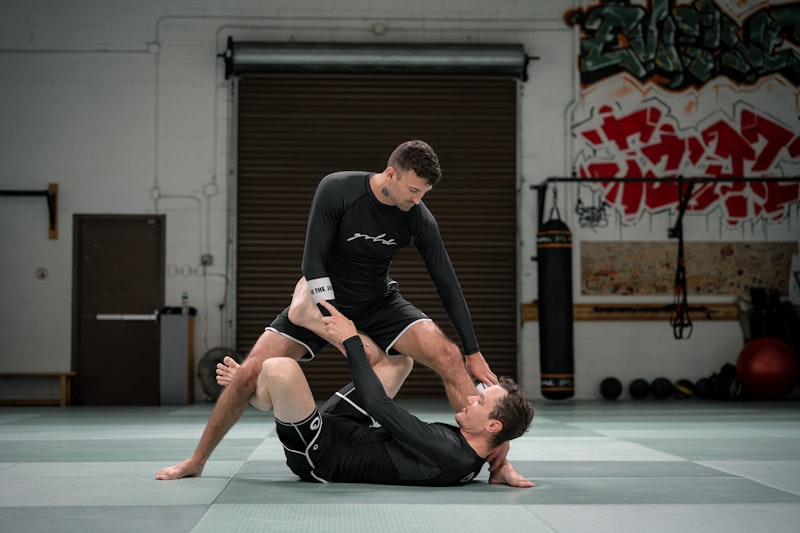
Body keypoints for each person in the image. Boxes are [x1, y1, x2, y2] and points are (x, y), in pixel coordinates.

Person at [157, 140, 522, 484]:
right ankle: (197, 460)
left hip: (378, 301)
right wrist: (333, 321)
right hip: (325, 296)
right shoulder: (339, 190)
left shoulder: (417, 218)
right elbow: (312, 261)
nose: (418, 200)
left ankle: (496, 462)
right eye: (413, 190)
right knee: (251, 369)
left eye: (424, 193)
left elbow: (447, 284)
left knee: (448, 355)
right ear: (391, 174)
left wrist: (473, 351)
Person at [218, 300, 534, 486]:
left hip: (319, 455)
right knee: (400, 362)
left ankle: (256, 394)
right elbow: (494, 440)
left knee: (279, 368)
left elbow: (377, 404)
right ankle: (299, 337)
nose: (470, 398)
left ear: (493, 425)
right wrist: (501, 469)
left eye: (480, 401)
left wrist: (350, 339)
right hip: (348, 430)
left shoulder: (448, 451)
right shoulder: (475, 454)